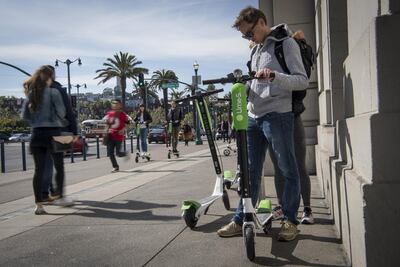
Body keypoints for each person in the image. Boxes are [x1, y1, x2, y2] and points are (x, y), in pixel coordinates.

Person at [217, 6, 309, 241]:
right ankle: (241, 219)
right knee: (249, 172)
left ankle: (290, 220)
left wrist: (274, 76)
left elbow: (301, 81)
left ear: (261, 23)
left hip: (278, 114)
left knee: (288, 168)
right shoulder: (255, 49)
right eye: (245, 36)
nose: (248, 38)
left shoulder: (285, 44)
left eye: (249, 33)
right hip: (253, 116)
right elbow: (255, 84)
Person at [269, 30, 314, 225]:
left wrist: (302, 43)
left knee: (298, 166)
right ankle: (283, 207)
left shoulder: (289, 46)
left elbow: (305, 72)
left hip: (293, 115)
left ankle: (307, 208)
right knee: (280, 167)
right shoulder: (262, 52)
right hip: (273, 118)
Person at [22, 65, 70, 215]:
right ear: (51, 76)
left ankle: (39, 205)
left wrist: (36, 123)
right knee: (59, 165)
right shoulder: (54, 92)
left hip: (37, 135)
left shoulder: (31, 93)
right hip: (53, 133)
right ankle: (61, 196)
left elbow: (24, 116)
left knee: (39, 170)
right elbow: (62, 112)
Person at [41, 65, 77, 202]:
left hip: (40, 131)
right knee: (58, 164)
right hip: (59, 130)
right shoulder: (58, 89)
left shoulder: (36, 89)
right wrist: (74, 131)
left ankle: (45, 193)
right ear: (53, 74)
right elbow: (68, 111)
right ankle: (58, 193)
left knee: (45, 164)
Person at [103, 99, 130, 173]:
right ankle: (115, 167)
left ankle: (125, 154)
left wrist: (123, 129)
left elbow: (128, 124)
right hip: (110, 135)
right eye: (113, 103)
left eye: (116, 104)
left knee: (118, 153)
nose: (114, 105)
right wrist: (105, 131)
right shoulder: (109, 113)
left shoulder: (122, 114)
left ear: (120, 105)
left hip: (118, 136)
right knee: (110, 153)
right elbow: (107, 123)